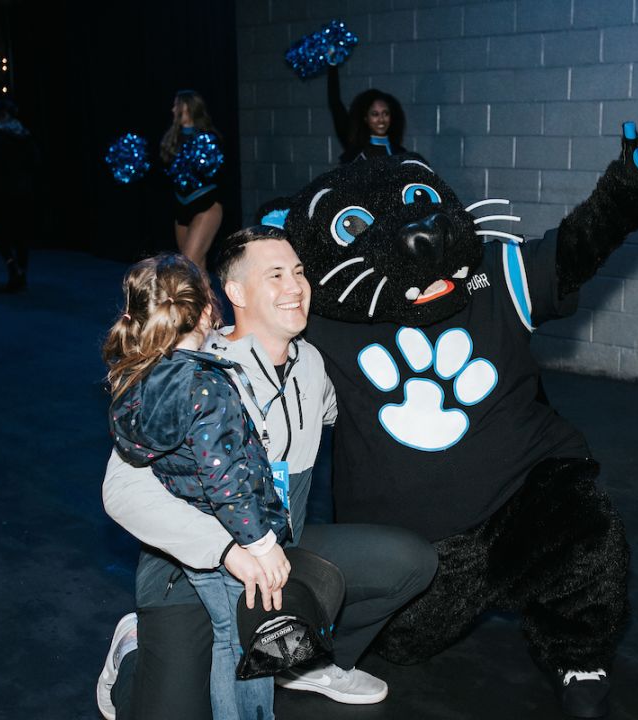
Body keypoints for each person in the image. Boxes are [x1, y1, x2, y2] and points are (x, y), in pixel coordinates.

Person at [96, 226, 437, 720]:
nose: (296, 286)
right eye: (275, 274)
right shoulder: (190, 372)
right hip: (189, 571)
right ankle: (132, 649)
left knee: (410, 561)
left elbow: (362, 423)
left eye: (299, 272)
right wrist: (228, 548)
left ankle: (302, 660)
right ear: (234, 293)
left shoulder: (314, 365)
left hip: (277, 545)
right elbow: (121, 490)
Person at [103, 252, 298, 720]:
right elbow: (225, 479)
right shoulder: (206, 386)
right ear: (208, 309)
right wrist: (261, 543)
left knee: (229, 633)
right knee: (250, 638)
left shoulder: (138, 377)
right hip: (236, 534)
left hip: (200, 537)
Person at [161, 90, 225, 271]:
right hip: (182, 208)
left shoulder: (206, 138)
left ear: (188, 108)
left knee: (186, 265)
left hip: (205, 204)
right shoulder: (173, 137)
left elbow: (213, 170)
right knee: (198, 271)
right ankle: (206, 299)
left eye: (177, 105)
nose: (173, 110)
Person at [0, 98, 39, 290]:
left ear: (1, 115)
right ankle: (20, 269)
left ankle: (12, 265)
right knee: (21, 233)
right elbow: (35, 162)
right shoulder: (25, 135)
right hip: (24, 191)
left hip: (2, 193)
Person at [326, 64, 406, 163]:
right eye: (375, 114)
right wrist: (332, 65)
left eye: (385, 113)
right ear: (365, 118)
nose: (381, 119)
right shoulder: (356, 152)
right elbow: (335, 104)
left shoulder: (400, 154)